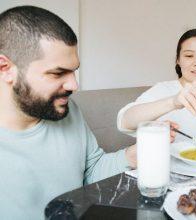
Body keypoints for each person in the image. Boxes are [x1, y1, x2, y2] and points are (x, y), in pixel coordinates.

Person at [0, 6, 137, 220]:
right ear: (5, 68)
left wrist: (133, 155)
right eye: (57, 73)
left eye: (73, 70)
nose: (74, 84)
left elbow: (91, 171)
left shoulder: (67, 109)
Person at [117, 29, 196, 141]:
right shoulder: (163, 90)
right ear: (178, 60)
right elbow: (124, 121)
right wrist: (173, 102)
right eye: (189, 56)